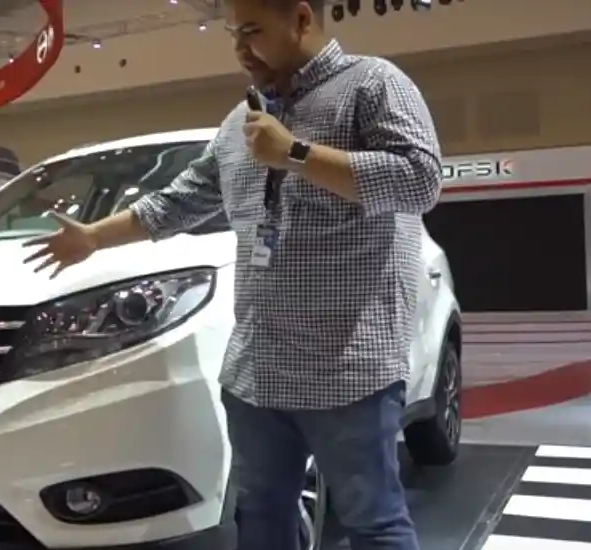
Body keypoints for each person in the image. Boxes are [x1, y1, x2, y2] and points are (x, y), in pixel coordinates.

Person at [22, 0, 442, 548]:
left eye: (252, 31)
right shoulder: (238, 123)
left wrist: (294, 154)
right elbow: (178, 202)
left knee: (373, 523)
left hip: (347, 370)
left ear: (301, 19)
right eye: (233, 34)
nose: (240, 49)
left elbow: (420, 180)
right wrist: (95, 236)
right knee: (261, 516)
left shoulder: (373, 85)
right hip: (257, 373)